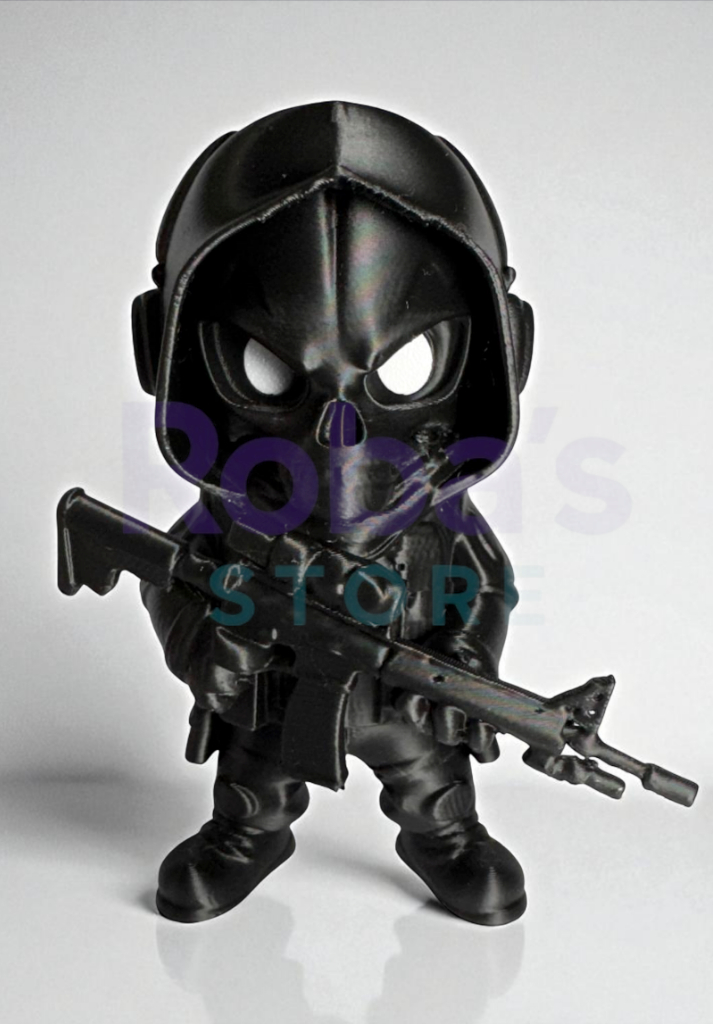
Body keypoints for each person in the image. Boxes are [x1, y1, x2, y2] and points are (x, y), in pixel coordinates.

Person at [133, 101, 535, 926]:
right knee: (252, 785)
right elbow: (168, 578)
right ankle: (247, 836)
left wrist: (464, 654)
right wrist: (214, 649)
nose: (339, 433)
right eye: (264, 368)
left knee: (433, 785)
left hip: (402, 700)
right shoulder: (235, 520)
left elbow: (487, 583)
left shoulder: (441, 518)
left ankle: (443, 837)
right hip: (275, 694)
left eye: (405, 366)